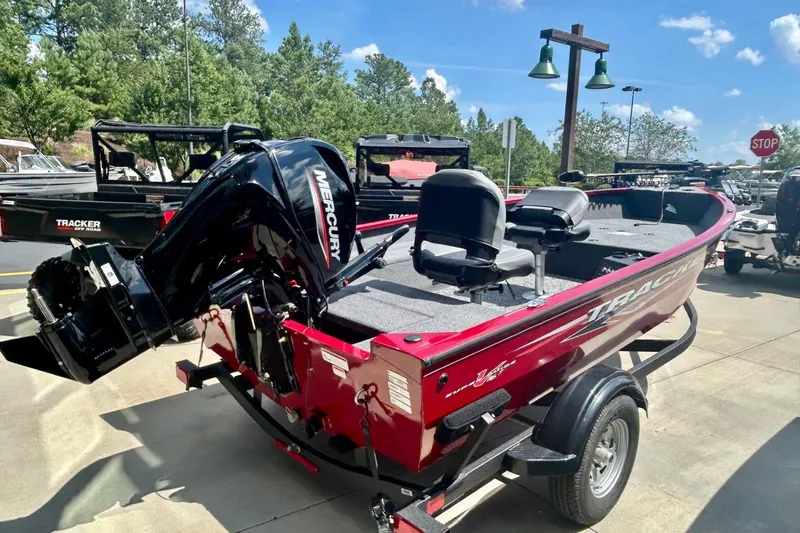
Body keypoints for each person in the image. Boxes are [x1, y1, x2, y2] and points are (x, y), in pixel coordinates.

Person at [776, 167, 800, 254]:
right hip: (790, 215)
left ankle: (786, 250)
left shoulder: (786, 184)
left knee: (790, 233)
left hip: (788, 216)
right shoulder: (787, 185)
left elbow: (780, 200)